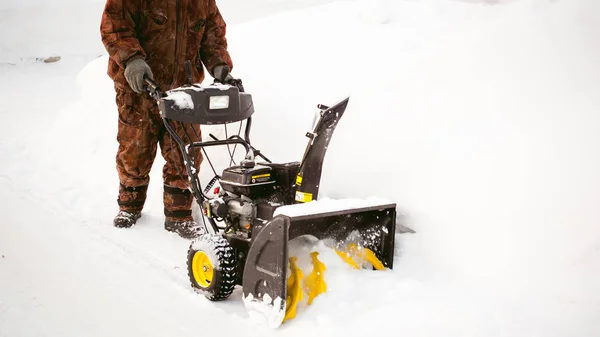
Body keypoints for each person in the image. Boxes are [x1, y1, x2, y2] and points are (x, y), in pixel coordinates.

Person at [100, 0, 234, 239]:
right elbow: (115, 26)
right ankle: (129, 207)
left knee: (186, 151)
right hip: (139, 87)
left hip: (184, 89)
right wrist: (132, 59)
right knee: (135, 150)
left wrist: (220, 66)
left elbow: (213, 33)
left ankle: (179, 215)